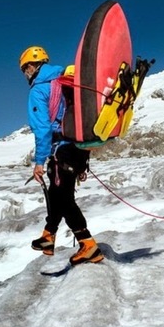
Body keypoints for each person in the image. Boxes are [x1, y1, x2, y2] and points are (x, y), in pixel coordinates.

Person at [20, 45, 104, 265]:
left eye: (24, 69)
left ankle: (88, 245)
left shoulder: (39, 90)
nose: (25, 74)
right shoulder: (67, 81)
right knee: (58, 194)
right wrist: (83, 161)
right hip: (78, 149)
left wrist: (39, 161)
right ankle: (49, 235)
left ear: (31, 66)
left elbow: (43, 129)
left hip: (61, 150)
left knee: (65, 199)